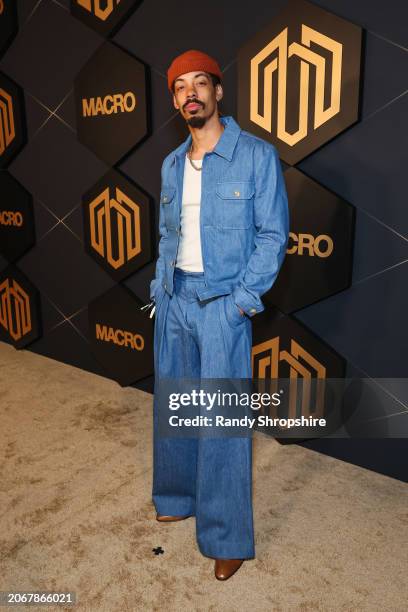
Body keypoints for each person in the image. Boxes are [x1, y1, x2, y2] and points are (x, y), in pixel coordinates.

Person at [149, 49, 289, 580]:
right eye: (180, 85)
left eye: (200, 83)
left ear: (218, 91)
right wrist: (159, 286)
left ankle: (226, 533)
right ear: (174, 100)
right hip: (174, 298)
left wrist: (242, 302)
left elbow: (273, 235)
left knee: (222, 423)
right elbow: (168, 233)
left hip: (223, 304)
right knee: (176, 405)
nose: (191, 93)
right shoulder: (169, 164)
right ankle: (177, 495)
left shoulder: (255, 156)